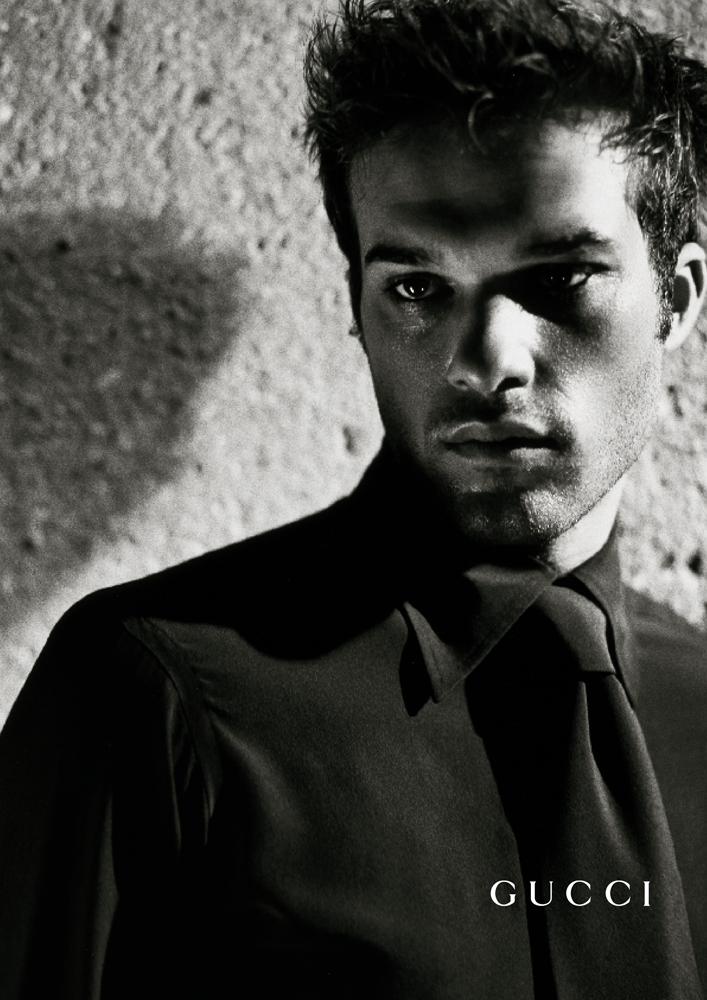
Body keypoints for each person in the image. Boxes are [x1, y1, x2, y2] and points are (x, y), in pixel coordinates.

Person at [1, 0, 706, 996]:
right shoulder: (149, 697)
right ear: (356, 308)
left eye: (558, 279)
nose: (487, 361)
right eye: (417, 288)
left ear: (676, 298)